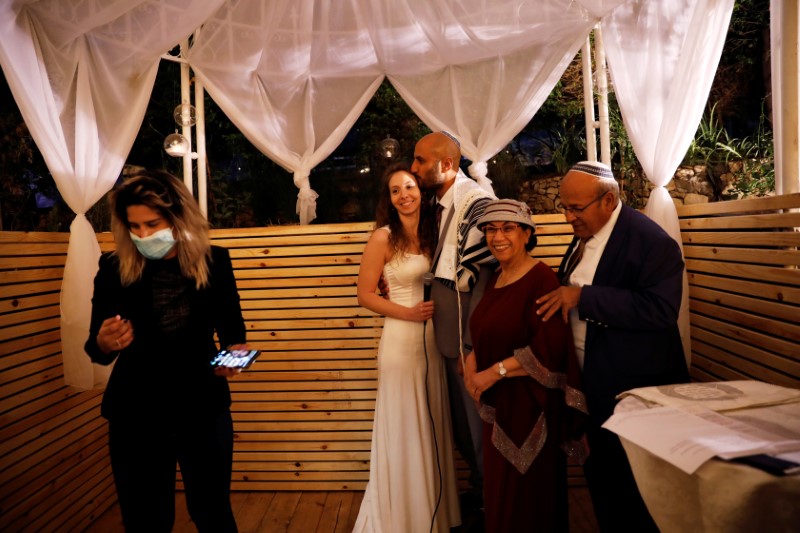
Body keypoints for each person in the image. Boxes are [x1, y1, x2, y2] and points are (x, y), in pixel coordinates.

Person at [84, 169, 247, 532]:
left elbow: (234, 336)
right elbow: (97, 349)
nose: (143, 235)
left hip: (202, 405)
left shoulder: (214, 262)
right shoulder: (113, 268)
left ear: (177, 217)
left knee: (212, 511)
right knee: (145, 518)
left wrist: (235, 359)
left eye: (152, 223)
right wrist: (103, 342)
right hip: (136, 411)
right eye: (134, 226)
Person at [536, 161, 690, 532]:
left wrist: (584, 298)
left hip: (634, 387)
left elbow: (661, 310)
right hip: (593, 384)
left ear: (608, 200)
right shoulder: (586, 232)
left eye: (576, 208)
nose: (568, 217)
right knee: (604, 483)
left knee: (637, 493)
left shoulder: (652, 243)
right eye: (565, 207)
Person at [463, 199, 588, 533]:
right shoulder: (497, 277)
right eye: (490, 229)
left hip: (532, 411)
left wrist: (493, 373)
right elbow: (487, 328)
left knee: (530, 501)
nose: (497, 236)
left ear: (527, 233)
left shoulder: (542, 279)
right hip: (499, 408)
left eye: (507, 228)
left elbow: (550, 347)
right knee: (503, 499)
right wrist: (473, 362)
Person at [353, 163, 460, 533]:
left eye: (410, 186)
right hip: (400, 338)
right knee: (405, 421)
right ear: (389, 199)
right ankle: (403, 514)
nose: (405, 195)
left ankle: (434, 509)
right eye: (396, 190)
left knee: (431, 417)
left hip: (434, 341)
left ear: (422, 191)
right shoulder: (383, 237)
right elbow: (364, 294)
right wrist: (408, 313)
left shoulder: (437, 232)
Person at [411, 131, 496, 513]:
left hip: (463, 336)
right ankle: (480, 492)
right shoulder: (440, 202)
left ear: (446, 165)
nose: (413, 169)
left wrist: (470, 346)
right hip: (444, 334)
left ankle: (490, 504)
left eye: (419, 161)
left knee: (476, 427)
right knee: (462, 427)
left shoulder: (475, 203)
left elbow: (483, 281)